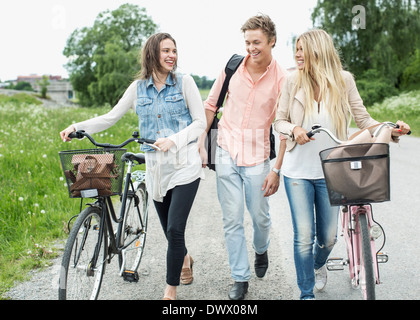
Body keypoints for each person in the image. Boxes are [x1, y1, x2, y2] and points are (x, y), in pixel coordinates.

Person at [60, 33, 206, 300]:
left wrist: (173, 140)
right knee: (168, 230)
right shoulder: (138, 88)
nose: (172, 55)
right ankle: (184, 258)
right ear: (152, 54)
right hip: (155, 168)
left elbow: (199, 122)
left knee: (175, 229)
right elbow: (110, 117)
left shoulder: (185, 83)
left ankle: (170, 291)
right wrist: (77, 127)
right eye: (166, 51)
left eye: (174, 50)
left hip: (184, 164)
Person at [274, 29, 411, 300]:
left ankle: (317, 264)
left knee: (327, 238)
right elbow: (278, 121)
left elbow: (364, 120)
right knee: (303, 236)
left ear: (319, 51)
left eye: (303, 50)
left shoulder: (344, 80)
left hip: (331, 169)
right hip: (297, 172)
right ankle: (306, 294)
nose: (297, 54)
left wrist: (393, 129)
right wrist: (294, 129)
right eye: (296, 50)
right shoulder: (292, 81)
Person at [199, 14, 287, 300]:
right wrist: (203, 142)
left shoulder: (282, 79)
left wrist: (277, 169)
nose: (252, 48)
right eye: (248, 42)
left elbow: (283, 125)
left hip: (258, 158)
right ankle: (240, 277)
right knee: (232, 220)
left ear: (272, 41)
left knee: (260, 218)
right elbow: (211, 104)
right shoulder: (232, 66)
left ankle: (262, 249)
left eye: (257, 42)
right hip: (225, 150)